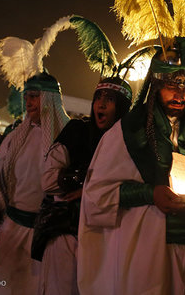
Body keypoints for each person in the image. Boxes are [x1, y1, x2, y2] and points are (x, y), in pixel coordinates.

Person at [78, 0, 185, 295]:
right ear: (155, 86)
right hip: (145, 251)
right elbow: (96, 196)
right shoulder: (126, 133)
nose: (181, 95)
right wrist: (148, 194)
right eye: (172, 85)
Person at [0, 72, 70, 294]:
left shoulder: (70, 136)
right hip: (11, 234)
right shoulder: (15, 139)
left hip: (51, 242)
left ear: (50, 99)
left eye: (34, 96)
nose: (28, 103)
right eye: (27, 96)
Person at [35, 77, 132, 295]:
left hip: (110, 238)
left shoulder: (130, 144)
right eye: (98, 97)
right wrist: (88, 185)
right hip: (67, 234)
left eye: (110, 99)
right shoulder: (77, 131)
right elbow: (48, 180)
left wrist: (89, 191)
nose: (101, 104)